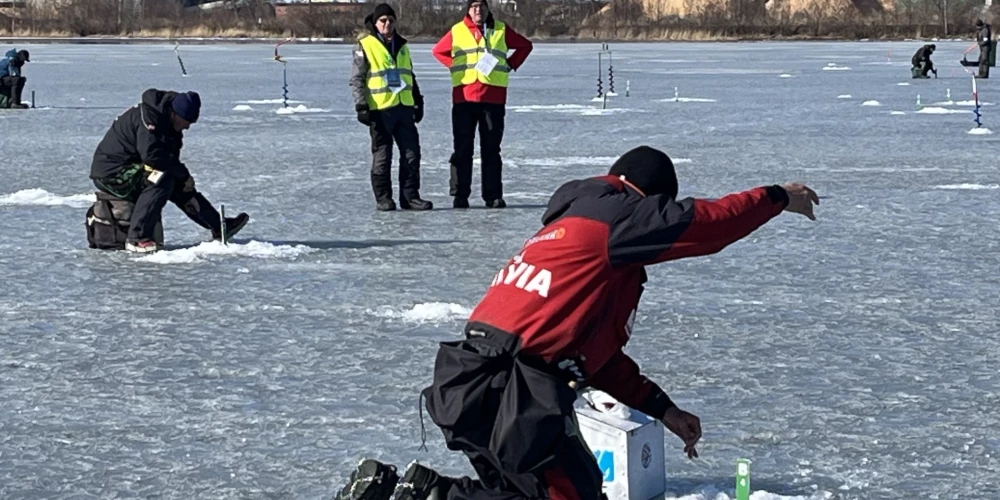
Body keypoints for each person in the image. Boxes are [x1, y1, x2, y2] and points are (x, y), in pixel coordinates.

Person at [334, 146, 820, 500]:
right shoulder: (615, 218)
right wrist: (777, 197)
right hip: (516, 390)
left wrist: (664, 410)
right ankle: (426, 496)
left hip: (469, 383)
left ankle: (407, 490)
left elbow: (596, 359)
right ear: (647, 197)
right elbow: (705, 224)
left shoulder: (564, 237)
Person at [88, 88, 249, 253]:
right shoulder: (149, 119)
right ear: (174, 114)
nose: (187, 127)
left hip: (136, 166)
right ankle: (136, 238)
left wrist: (183, 178)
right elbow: (152, 156)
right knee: (162, 179)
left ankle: (218, 226)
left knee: (174, 180)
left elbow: (169, 159)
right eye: (185, 121)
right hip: (112, 173)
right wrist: (182, 174)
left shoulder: (171, 125)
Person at [432, 0, 533, 209]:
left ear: (488, 9)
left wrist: (511, 64)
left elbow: (525, 46)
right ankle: (460, 194)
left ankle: (493, 195)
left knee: (491, 150)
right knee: (462, 149)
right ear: (469, 10)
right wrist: (455, 66)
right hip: (464, 98)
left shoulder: (500, 30)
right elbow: (438, 51)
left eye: (482, 6)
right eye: (474, 6)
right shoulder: (458, 30)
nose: (478, 10)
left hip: (493, 98)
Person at [350, 3, 431, 212]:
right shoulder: (365, 45)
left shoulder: (402, 45)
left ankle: (410, 197)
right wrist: (361, 105)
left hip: (404, 108)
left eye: (390, 20)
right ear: (375, 23)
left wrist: (418, 100)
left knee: (412, 154)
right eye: (383, 20)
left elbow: (409, 75)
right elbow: (357, 78)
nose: (387, 24)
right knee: (382, 157)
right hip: (380, 110)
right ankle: (383, 198)